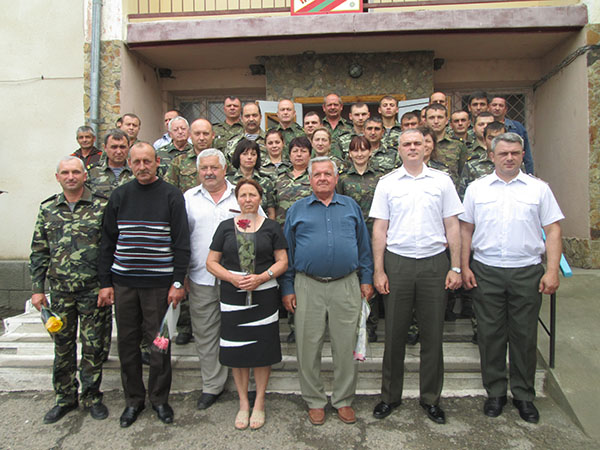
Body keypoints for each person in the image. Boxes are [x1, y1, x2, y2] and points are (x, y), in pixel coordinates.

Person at [460, 132, 563, 424]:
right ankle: (495, 393)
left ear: (522, 155)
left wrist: (552, 270)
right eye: (503, 153)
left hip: (526, 271)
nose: (509, 158)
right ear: (491, 156)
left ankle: (524, 395)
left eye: (515, 153)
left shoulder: (538, 189)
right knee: (490, 335)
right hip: (487, 270)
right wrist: (463, 266)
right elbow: (466, 229)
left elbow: (553, 230)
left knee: (524, 335)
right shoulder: (477, 189)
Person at [370, 129, 463, 425]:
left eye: (417, 143)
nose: (412, 148)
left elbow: (452, 225)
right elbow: (380, 229)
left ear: (426, 148)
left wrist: (456, 267)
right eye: (406, 144)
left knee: (433, 336)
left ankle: (431, 399)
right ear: (398, 149)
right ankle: (390, 397)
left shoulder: (442, 181)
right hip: (397, 263)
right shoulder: (387, 183)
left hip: (434, 263)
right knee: (394, 335)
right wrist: (379, 270)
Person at [98, 142, 190, 427]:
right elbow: (107, 242)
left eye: (147, 161)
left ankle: (159, 400)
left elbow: (182, 243)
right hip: (124, 284)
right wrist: (105, 283)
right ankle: (133, 401)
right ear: (129, 163)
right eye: (136, 162)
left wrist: (178, 282)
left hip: (159, 286)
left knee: (160, 343)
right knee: (127, 343)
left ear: (157, 162)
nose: (142, 167)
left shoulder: (171, 195)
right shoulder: (120, 195)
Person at [281, 156, 374, 426]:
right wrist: (287, 287)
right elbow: (287, 252)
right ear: (309, 179)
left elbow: (364, 246)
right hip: (307, 285)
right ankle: (314, 400)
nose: (322, 178)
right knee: (307, 346)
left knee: (345, 345)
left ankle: (343, 399)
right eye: (317, 174)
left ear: (335, 178)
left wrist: (366, 279)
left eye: (327, 174)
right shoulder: (297, 210)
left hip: (346, 284)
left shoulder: (350, 206)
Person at [30, 156, 110, 424]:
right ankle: (64, 398)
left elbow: (109, 248)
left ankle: (92, 396)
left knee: (93, 347)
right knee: (62, 347)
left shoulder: (101, 206)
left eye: (76, 172)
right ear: (58, 177)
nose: (71, 177)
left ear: (85, 175)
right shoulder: (48, 209)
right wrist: (37, 289)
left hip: (93, 290)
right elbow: (39, 251)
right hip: (60, 292)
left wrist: (107, 285)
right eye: (65, 173)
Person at [206, 179, 288, 430]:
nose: (248, 199)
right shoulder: (225, 227)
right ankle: (243, 402)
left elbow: (282, 261)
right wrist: (231, 277)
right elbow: (211, 262)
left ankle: (259, 401)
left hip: (264, 296)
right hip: (234, 296)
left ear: (260, 198)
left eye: (253, 194)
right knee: (237, 349)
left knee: (262, 350)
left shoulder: (271, 227)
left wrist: (263, 277)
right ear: (237, 199)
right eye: (243, 195)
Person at [182, 148, 241, 411]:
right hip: (201, 278)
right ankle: (212, 386)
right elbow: (181, 238)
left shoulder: (241, 194)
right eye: (204, 168)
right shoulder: (188, 199)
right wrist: (181, 275)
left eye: (214, 167)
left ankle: (243, 382)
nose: (209, 172)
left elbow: (260, 227)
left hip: (238, 279)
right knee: (206, 334)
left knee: (239, 331)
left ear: (225, 169)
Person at [165, 118, 217, 346]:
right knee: (186, 272)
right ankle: (185, 326)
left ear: (212, 135)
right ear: (190, 136)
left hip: (212, 219)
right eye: (197, 133)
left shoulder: (220, 159)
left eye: (206, 133)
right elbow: (170, 192)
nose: (202, 138)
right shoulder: (178, 162)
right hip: (186, 219)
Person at [86, 129, 134, 363]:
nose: (118, 151)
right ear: (105, 148)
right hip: (101, 240)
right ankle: (101, 348)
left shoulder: (135, 171)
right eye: (113, 147)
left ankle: (141, 347)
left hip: (131, 241)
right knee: (102, 297)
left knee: (132, 300)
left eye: (122, 147)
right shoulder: (92, 173)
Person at [336, 136, 386, 342]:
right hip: (351, 235)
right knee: (353, 279)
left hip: (376, 233)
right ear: (349, 153)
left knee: (372, 276)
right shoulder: (342, 179)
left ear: (370, 152)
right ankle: (352, 324)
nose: (359, 154)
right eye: (355, 150)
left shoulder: (380, 178)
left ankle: (371, 325)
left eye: (363, 150)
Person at [227, 138, 276, 219]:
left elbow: (271, 212)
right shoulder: (228, 180)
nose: (249, 157)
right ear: (238, 156)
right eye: (245, 154)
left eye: (253, 154)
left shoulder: (265, 181)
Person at [488, 95, 534, 174]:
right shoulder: (483, 126)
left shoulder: (517, 127)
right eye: (494, 105)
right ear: (488, 107)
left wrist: (529, 175)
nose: (497, 108)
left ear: (505, 109)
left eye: (501, 105)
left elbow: (527, 157)